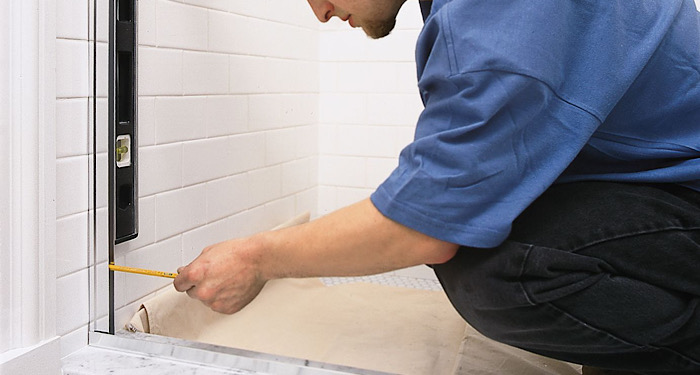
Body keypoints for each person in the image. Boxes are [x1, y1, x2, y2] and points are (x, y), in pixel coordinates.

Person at [173, 0, 700, 374]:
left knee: (495, 270)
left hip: (683, 197)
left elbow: (430, 222)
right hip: (663, 191)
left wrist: (257, 257)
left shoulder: (500, 18)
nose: (319, 11)